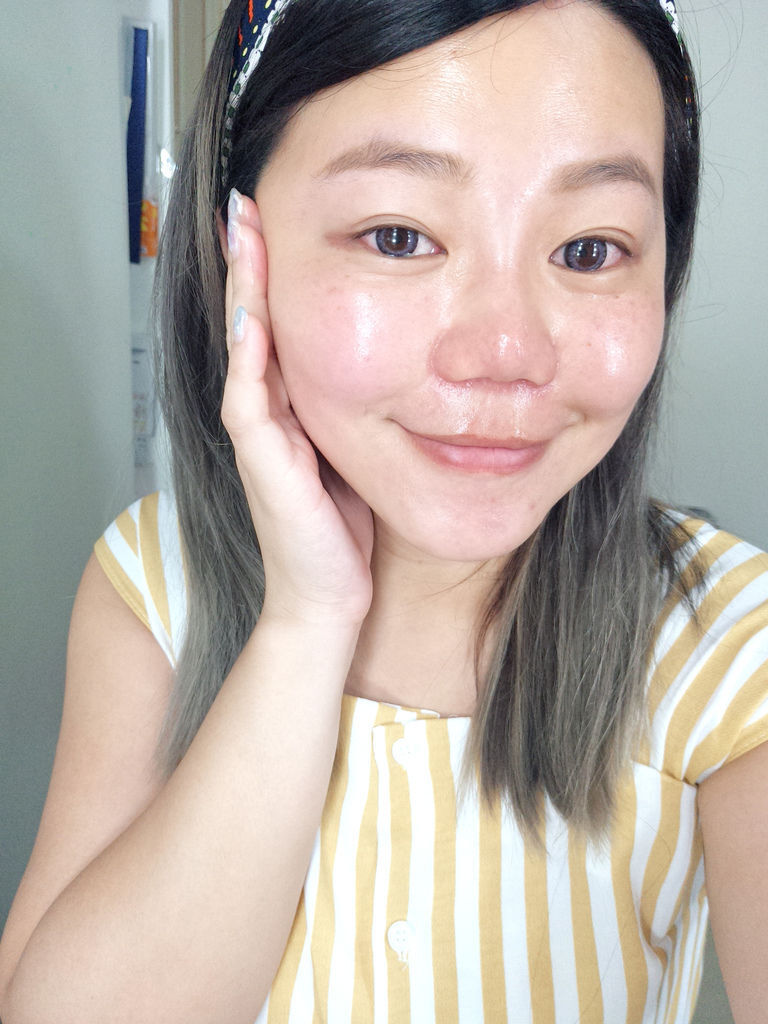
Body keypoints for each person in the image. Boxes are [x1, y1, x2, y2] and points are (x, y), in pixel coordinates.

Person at [1, 0, 767, 1020]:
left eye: (589, 250)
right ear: (240, 251)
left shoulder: (730, 647)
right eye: (399, 236)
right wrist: (305, 621)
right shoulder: (152, 588)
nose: (506, 352)